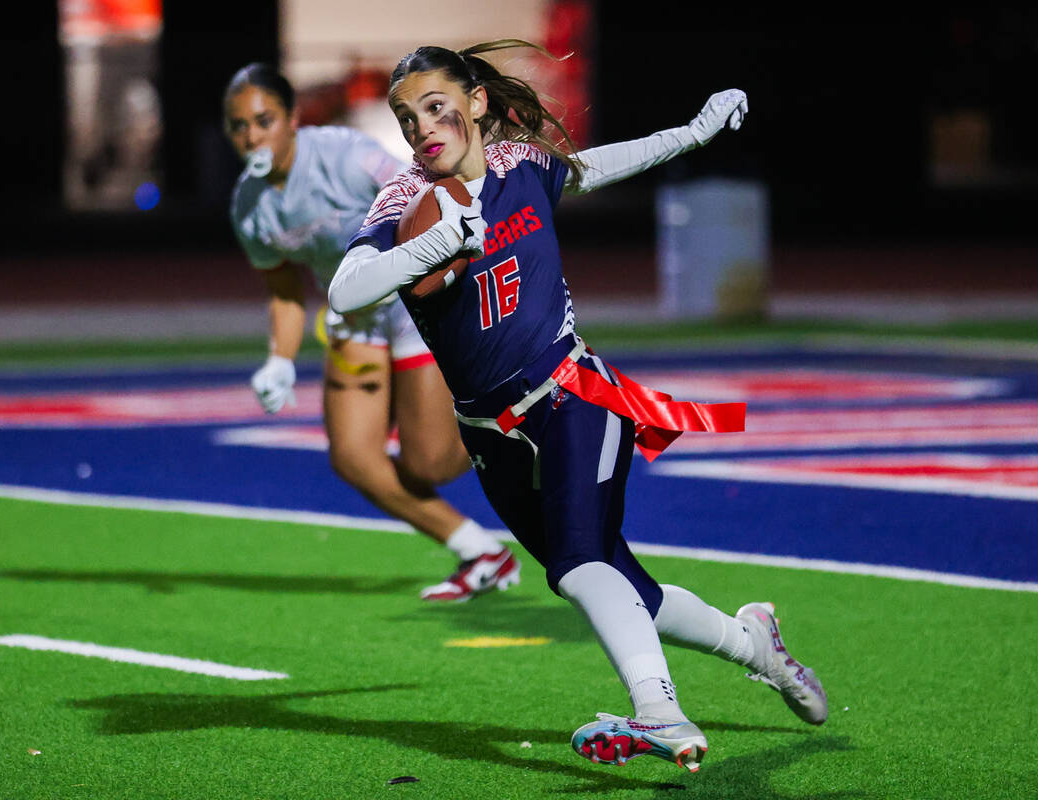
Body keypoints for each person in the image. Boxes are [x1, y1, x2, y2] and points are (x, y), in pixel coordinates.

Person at [328, 40, 827, 772]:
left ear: (476, 102)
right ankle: (755, 642)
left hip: (572, 394)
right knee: (622, 587)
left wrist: (690, 134)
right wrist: (431, 245)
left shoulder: (519, 163)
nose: (422, 128)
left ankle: (658, 710)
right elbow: (346, 291)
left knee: (577, 566)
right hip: (490, 436)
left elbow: (597, 165)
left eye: (437, 107)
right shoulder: (407, 199)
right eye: (407, 118)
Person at [224, 63, 520, 602]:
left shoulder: (344, 154)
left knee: (429, 460)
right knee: (354, 456)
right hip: (355, 315)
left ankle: (519, 406)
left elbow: (427, 195)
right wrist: (279, 359)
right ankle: (482, 552)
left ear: (292, 118)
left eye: (263, 120)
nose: (251, 136)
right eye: (238, 126)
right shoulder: (250, 206)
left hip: (413, 301)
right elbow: (287, 291)